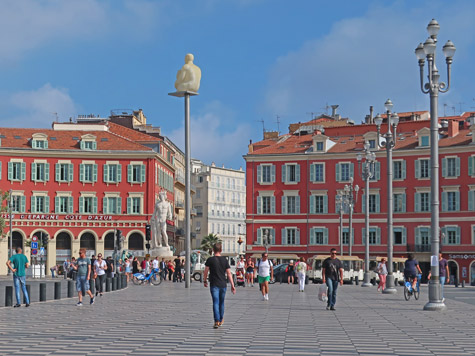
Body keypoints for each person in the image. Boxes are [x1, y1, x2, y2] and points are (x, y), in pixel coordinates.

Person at [203, 243, 236, 328]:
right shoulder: (224, 260)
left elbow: (206, 271)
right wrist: (232, 285)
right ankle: (221, 319)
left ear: (213, 250)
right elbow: (229, 273)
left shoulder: (210, 260)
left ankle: (216, 321)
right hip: (223, 284)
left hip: (214, 284)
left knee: (215, 302)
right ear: (221, 250)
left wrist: (204, 280)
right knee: (221, 302)